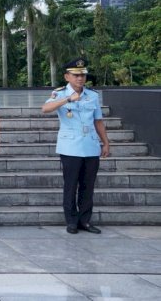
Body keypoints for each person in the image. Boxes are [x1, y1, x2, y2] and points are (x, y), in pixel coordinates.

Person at [41, 58, 111, 234]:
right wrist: (67, 99)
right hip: (70, 146)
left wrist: (106, 142)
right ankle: (71, 221)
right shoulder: (59, 93)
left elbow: (98, 121)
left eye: (82, 75)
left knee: (88, 185)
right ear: (67, 76)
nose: (80, 78)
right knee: (71, 185)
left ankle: (85, 221)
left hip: (90, 144)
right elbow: (46, 108)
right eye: (76, 75)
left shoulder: (92, 95)